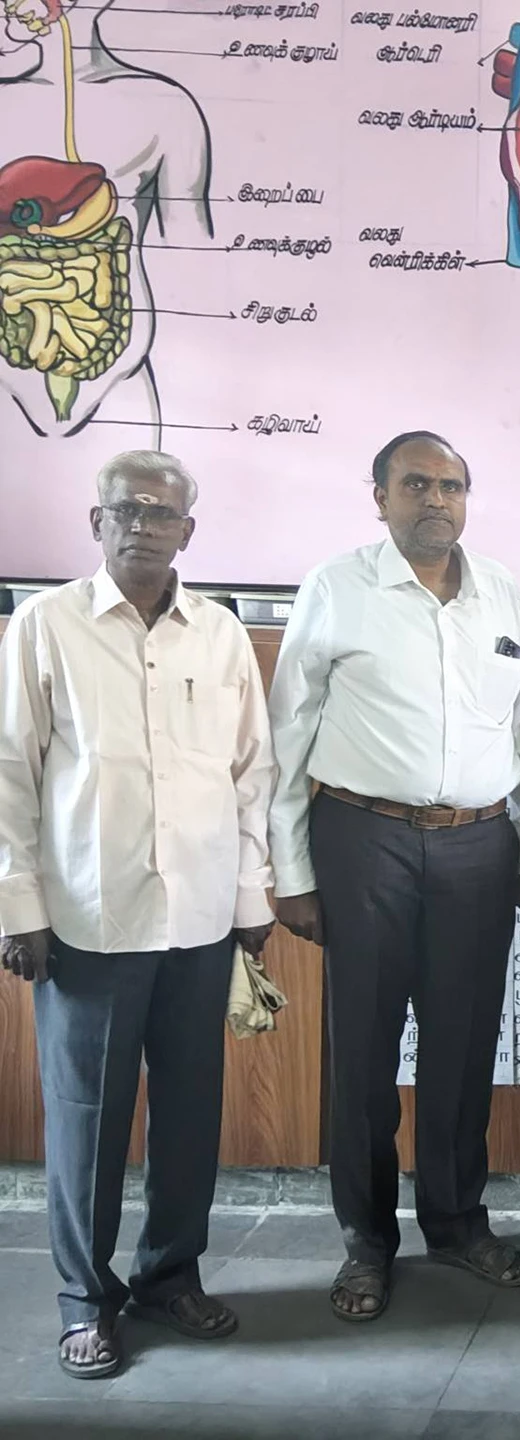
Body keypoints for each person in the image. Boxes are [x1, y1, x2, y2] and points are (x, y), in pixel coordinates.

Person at [267, 431, 520, 1323]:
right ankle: (366, 1242)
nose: (437, 499)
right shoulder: (337, 587)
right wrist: (291, 869)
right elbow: (289, 732)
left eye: (452, 486)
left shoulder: (500, 590)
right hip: (364, 841)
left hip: (478, 846)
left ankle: (459, 1222)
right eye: (418, 484)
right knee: (362, 1049)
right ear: (381, 496)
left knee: (464, 1047)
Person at [0, 451, 274, 1378]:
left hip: (199, 916)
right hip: (88, 918)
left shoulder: (220, 634)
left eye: (162, 514)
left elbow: (252, 772)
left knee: (190, 1113)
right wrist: (19, 905)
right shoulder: (46, 626)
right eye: (127, 510)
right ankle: (86, 1300)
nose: (144, 526)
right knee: (87, 1118)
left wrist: (250, 897)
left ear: (187, 532)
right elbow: (9, 773)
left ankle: (170, 1277)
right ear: (97, 521)